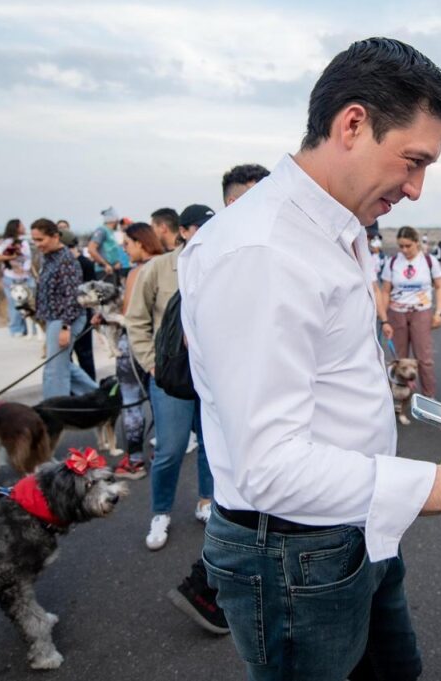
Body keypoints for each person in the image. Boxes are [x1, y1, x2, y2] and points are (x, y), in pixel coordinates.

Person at [178, 37, 441, 680]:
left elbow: (337, 383)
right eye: (413, 161)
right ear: (353, 124)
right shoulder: (264, 251)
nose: (417, 189)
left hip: (355, 526)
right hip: (293, 552)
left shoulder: (333, 228)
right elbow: (269, 469)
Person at [167, 164, 271, 637]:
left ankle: (210, 590)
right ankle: (208, 590)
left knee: (250, 506)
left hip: (245, 407)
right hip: (240, 407)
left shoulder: (241, 251)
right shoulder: (218, 256)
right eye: (260, 196)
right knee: (250, 510)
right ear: (233, 202)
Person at [127, 204, 216, 551]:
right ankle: (161, 511)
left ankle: (207, 501)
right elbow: (136, 319)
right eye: (198, 228)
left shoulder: (220, 265)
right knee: (170, 448)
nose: (205, 234)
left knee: (211, 444)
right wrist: (152, 364)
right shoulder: (159, 268)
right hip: (170, 376)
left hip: (210, 374)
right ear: (182, 231)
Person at [109, 222, 164, 479]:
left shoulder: (137, 272)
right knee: (158, 401)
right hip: (160, 344)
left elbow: (129, 314)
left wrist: (105, 317)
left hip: (134, 345)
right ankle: (162, 452)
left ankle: (134, 461)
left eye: (127, 244)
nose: (125, 250)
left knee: (131, 403)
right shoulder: (168, 265)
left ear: (140, 243)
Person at [29, 219, 99, 399]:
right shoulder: (49, 257)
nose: (37, 244)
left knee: (55, 371)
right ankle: (101, 399)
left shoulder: (66, 261)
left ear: (55, 236)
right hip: (54, 318)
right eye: (34, 240)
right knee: (62, 365)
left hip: (65, 318)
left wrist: (65, 327)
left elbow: (71, 296)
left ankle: (54, 409)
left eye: (40, 239)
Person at [378, 226, 441, 397]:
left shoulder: (429, 261)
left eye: (408, 246)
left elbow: (440, 286)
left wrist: (439, 312)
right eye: (401, 246)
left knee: (424, 359)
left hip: (421, 312)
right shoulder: (393, 262)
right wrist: (384, 320)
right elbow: (385, 291)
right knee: (399, 360)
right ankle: (399, 399)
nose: (404, 250)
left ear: (417, 243)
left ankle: (429, 398)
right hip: (397, 313)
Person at [61, 230, 98, 380]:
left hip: (83, 313)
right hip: (68, 314)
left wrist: (95, 310)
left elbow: (94, 290)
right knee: (67, 356)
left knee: (85, 354)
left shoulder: (85, 264)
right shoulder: (64, 264)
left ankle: (90, 386)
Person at [0, 219, 34, 337]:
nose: (24, 227)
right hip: (12, 277)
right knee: (15, 302)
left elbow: (28, 258)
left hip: (26, 275)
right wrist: (12, 257)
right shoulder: (6, 242)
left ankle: (31, 327)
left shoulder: (24, 241)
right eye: (21, 226)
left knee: (30, 302)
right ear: (16, 227)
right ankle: (16, 329)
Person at [87, 207, 131, 279]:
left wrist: (116, 262)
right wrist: (105, 265)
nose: (118, 223)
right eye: (117, 220)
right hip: (104, 271)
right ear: (113, 220)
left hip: (112, 270)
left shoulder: (110, 232)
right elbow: (91, 249)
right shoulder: (102, 230)